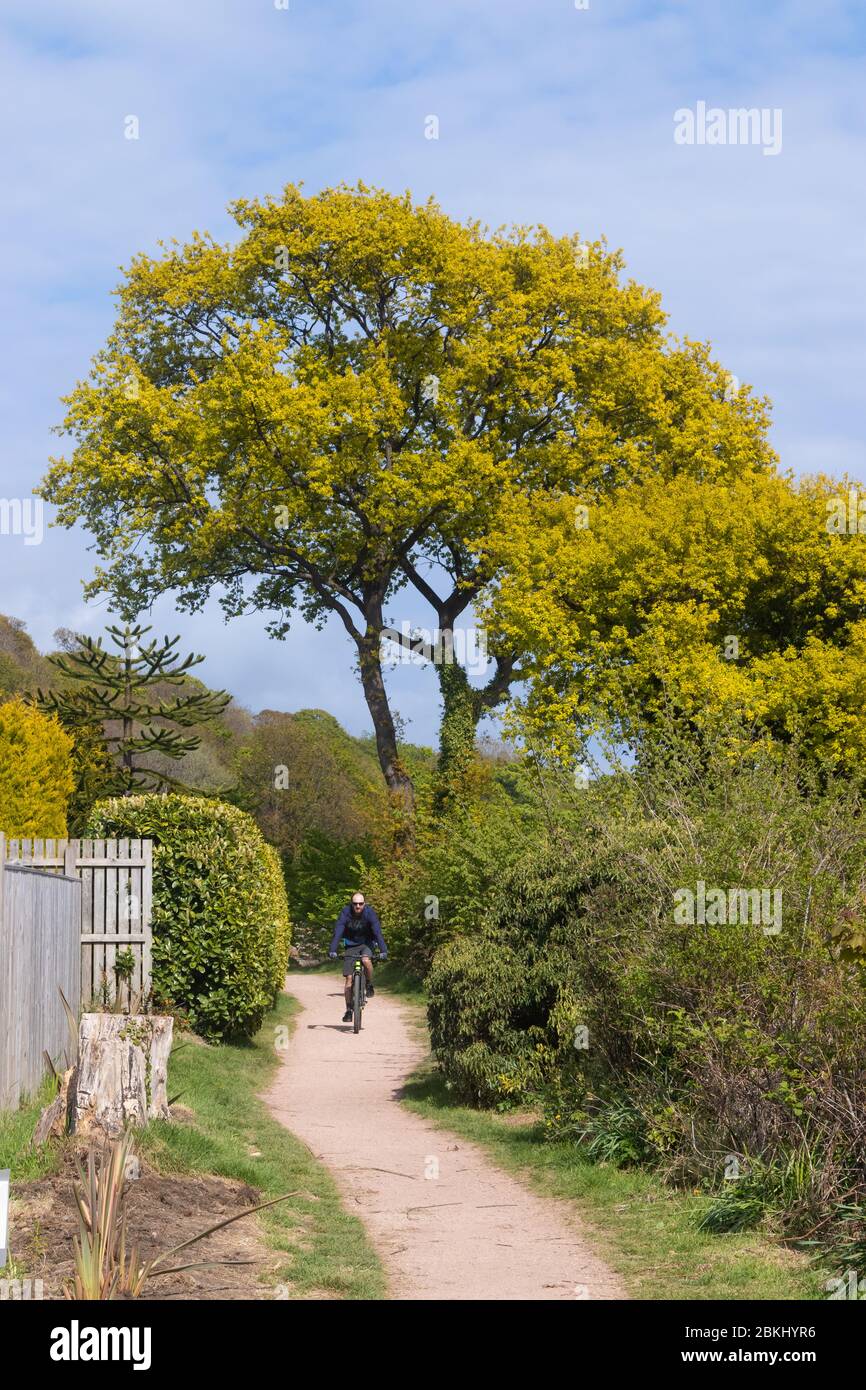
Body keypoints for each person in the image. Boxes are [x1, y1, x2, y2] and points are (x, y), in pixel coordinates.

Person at [329, 892, 388, 1022]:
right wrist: (332, 949)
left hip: (367, 943)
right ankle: (349, 1010)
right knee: (349, 980)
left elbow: (377, 931)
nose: (358, 906)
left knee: (366, 960)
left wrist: (383, 950)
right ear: (351, 904)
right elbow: (338, 931)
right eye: (355, 904)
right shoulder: (345, 913)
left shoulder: (369, 913)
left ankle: (368, 983)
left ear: (364, 904)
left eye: (360, 904)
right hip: (350, 946)